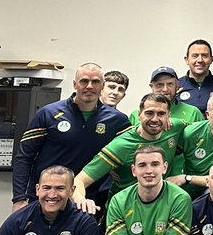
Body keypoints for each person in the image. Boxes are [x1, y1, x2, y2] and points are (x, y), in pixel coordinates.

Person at [12, 63, 130, 211]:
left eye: (95, 82)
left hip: (89, 203)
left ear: (102, 86)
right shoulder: (48, 114)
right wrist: (19, 199)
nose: (89, 86)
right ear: (75, 84)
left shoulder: (118, 121)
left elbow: (132, 154)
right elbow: (24, 157)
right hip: (46, 199)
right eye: (84, 81)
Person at [73, 93, 188, 211]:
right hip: (123, 211)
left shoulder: (176, 128)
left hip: (159, 208)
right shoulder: (121, 146)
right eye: (149, 113)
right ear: (139, 115)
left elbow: (202, 128)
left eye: (161, 114)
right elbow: (79, 180)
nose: (155, 119)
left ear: (168, 116)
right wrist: (81, 200)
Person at [177, 40, 213, 115]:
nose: (200, 60)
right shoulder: (176, 87)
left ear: (211, 59)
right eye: (195, 56)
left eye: (204, 56)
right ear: (187, 60)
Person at [133, 66, 205, 125]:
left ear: (177, 86)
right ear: (152, 87)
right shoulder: (136, 115)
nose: (165, 89)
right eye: (159, 85)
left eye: (170, 84)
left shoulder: (193, 113)